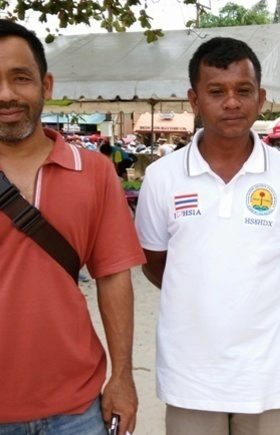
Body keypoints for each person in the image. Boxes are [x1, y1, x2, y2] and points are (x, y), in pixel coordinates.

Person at [135, 37, 280, 435]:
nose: (231, 102)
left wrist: (257, 308)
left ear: (262, 98)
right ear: (194, 100)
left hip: (268, 375)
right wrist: (202, 298)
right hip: (192, 376)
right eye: (216, 91)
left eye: (243, 91)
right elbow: (155, 262)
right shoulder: (162, 177)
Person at [0, 20, 145, 435]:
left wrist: (122, 377)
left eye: (20, 78)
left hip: (76, 411)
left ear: (46, 85)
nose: (6, 94)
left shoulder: (94, 172)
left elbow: (114, 277)